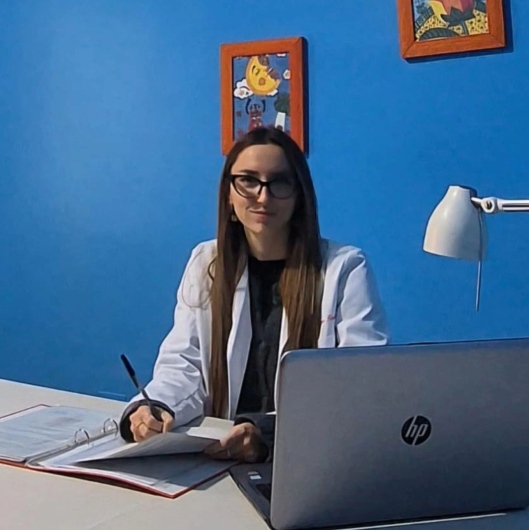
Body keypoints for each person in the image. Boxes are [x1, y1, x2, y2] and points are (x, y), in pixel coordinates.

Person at [119, 126, 389, 462]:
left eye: (279, 182)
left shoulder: (345, 268)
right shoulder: (207, 262)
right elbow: (183, 364)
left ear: (299, 194)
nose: (263, 197)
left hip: (311, 457)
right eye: (248, 180)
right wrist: (156, 406)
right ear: (229, 194)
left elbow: (359, 384)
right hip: (217, 455)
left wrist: (264, 433)